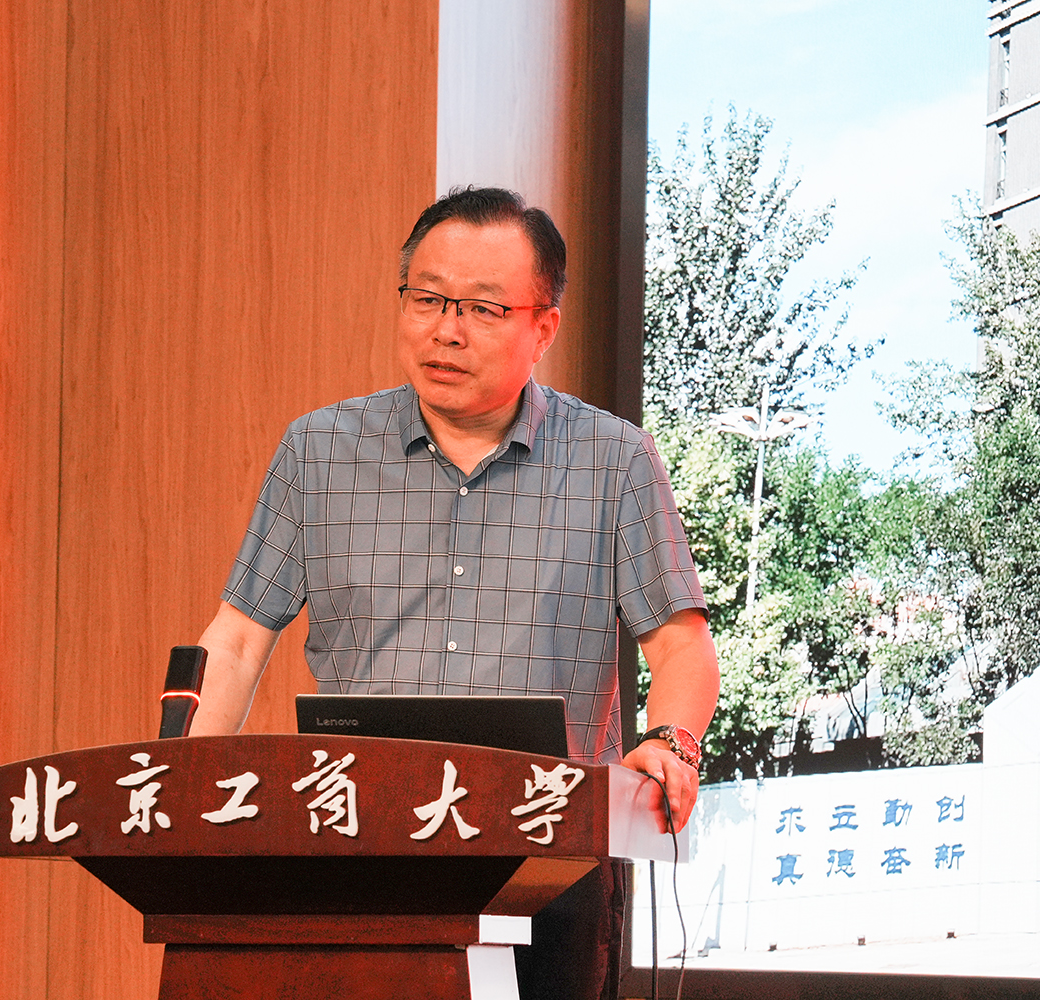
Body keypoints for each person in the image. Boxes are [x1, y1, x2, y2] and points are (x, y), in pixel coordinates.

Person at [189, 186, 719, 1000]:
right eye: (428, 299)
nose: (446, 329)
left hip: (551, 856)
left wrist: (672, 744)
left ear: (543, 327)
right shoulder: (318, 451)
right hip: (359, 844)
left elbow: (681, 646)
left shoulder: (615, 461)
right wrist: (184, 786)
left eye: (482, 308)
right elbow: (235, 640)